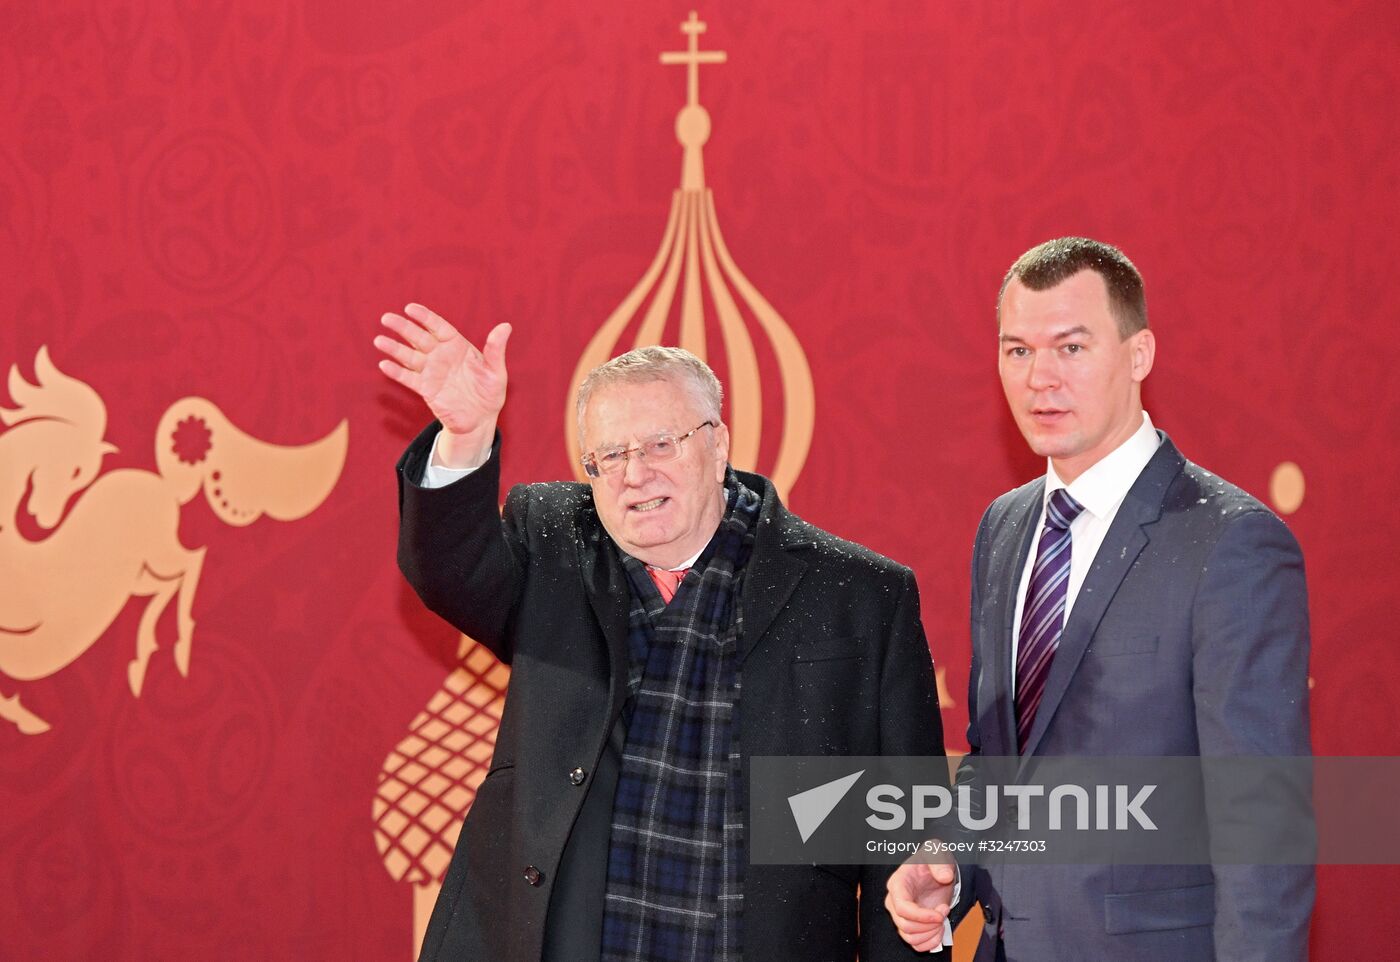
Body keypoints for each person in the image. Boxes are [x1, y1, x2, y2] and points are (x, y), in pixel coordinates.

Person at [376, 304, 944, 962]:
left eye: (659, 445)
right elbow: (450, 572)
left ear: (719, 441)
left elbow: (906, 832)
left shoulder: (858, 594)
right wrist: (467, 438)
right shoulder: (553, 538)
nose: (634, 474)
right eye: (607, 456)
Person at [886, 237, 1313, 960]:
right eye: (1016, 351)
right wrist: (950, 866)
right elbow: (1001, 761)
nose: (1039, 379)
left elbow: (1262, 828)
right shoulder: (1006, 527)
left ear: (1139, 353)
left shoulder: (1231, 544)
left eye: (1071, 347)